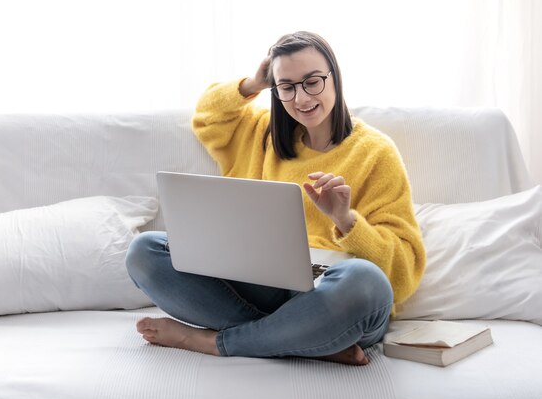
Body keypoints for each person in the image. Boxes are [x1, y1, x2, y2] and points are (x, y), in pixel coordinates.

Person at [125, 31, 426, 365]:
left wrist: (346, 220)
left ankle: (213, 342)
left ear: (335, 78)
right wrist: (252, 84)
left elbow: (402, 271)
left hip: (333, 297)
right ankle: (309, 341)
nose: (301, 98)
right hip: (264, 286)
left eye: (312, 81)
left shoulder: (376, 152)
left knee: (365, 283)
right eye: (287, 86)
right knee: (144, 251)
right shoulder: (263, 133)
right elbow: (209, 117)